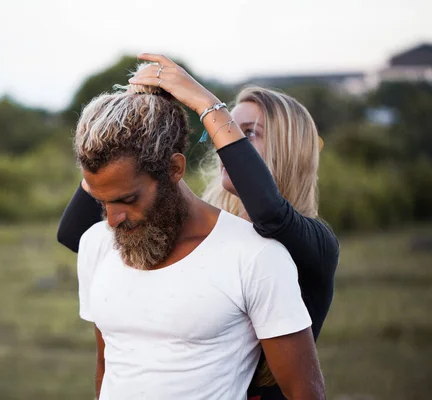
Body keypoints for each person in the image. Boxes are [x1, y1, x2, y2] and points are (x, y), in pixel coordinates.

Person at [58, 54, 339, 400]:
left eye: (243, 133)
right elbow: (77, 235)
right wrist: (124, 137)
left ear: (291, 146)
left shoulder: (299, 243)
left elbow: (271, 214)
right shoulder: (200, 226)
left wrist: (205, 103)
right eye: (220, 131)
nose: (225, 141)